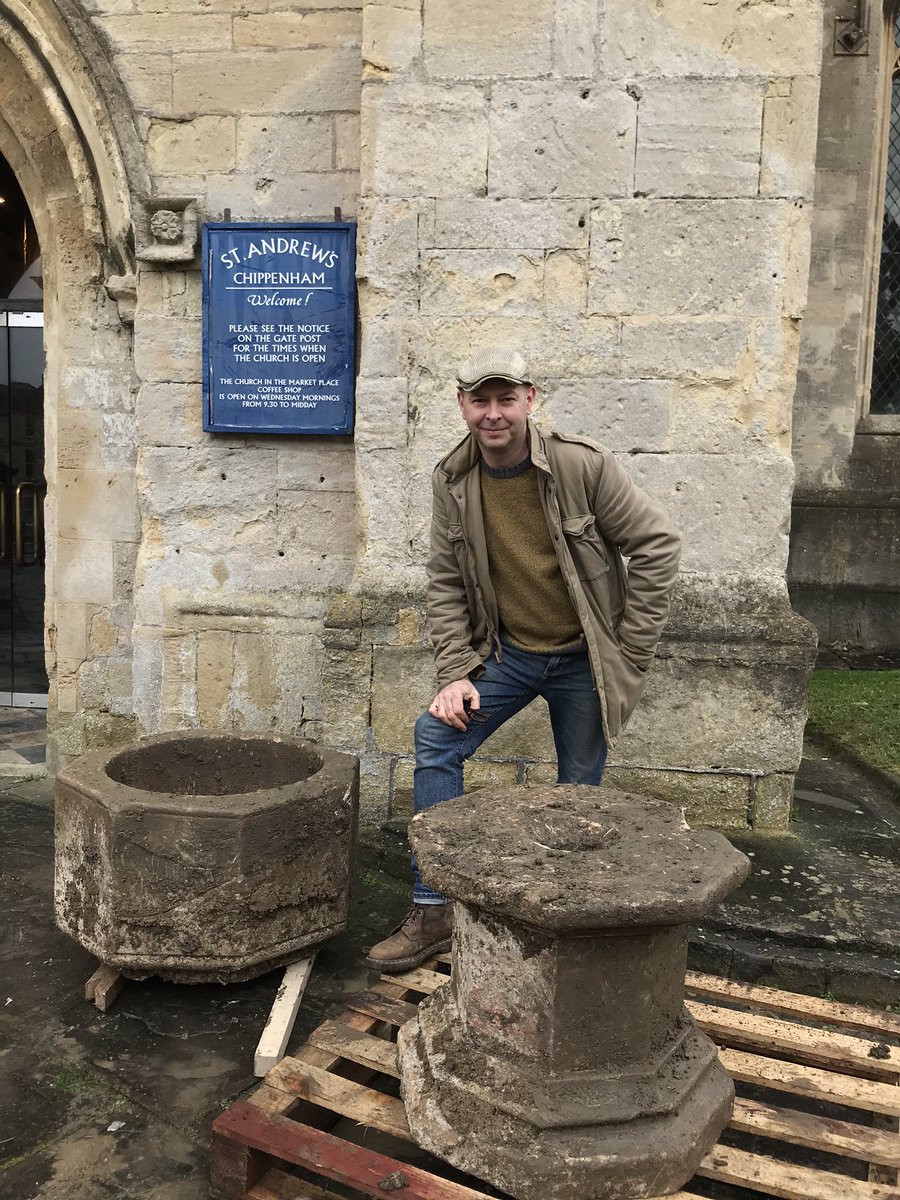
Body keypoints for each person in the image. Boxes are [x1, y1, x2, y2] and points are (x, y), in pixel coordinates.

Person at [366, 346, 682, 972]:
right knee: (435, 736)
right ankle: (434, 909)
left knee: (579, 789)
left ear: (529, 400)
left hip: (582, 661)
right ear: (461, 405)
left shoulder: (577, 466)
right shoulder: (453, 480)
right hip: (507, 655)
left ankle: (563, 925)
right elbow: (445, 582)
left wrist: (630, 649)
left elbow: (657, 546)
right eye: (479, 401)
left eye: (505, 399)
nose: (493, 415)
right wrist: (455, 672)